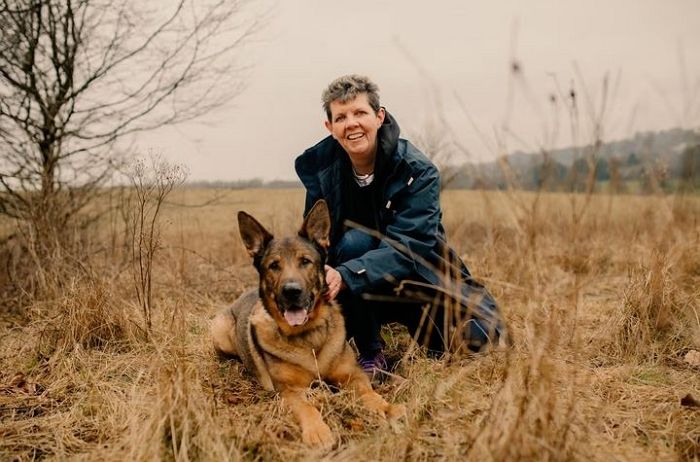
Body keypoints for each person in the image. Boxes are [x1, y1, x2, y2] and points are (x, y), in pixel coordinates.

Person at [295, 75, 506, 377]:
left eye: (360, 113)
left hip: (417, 279)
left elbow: (410, 248)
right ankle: (369, 351)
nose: (351, 123)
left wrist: (345, 274)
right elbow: (315, 241)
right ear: (330, 128)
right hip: (354, 288)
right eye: (340, 117)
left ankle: (432, 326)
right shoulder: (323, 170)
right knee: (354, 242)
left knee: (475, 339)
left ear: (379, 117)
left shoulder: (417, 172)